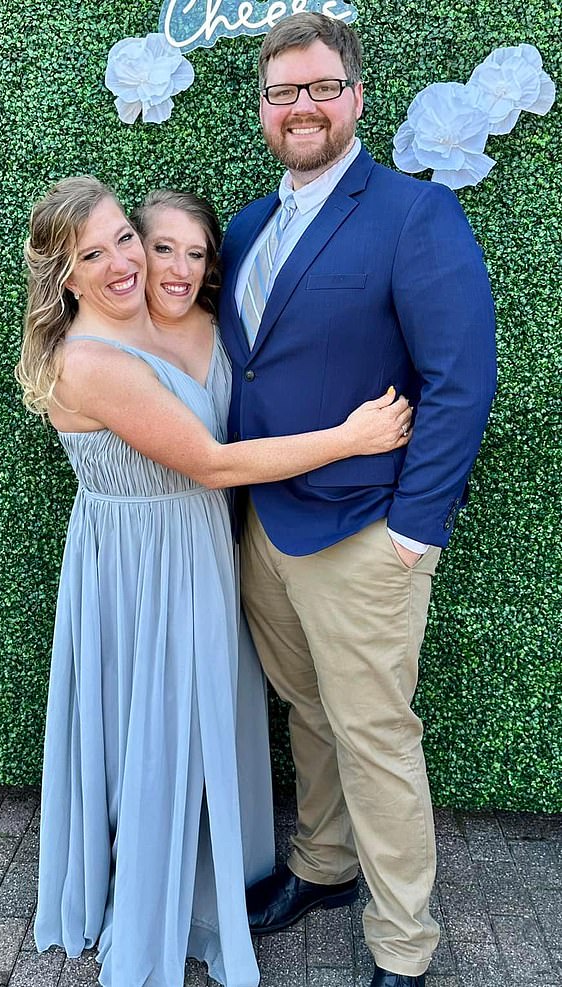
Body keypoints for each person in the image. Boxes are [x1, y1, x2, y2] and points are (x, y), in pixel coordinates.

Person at [16, 175, 413, 987]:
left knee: (202, 721)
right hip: (142, 569)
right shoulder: (90, 360)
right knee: (156, 730)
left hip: (199, 553)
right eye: (94, 252)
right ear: (65, 276)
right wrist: (351, 437)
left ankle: (216, 875)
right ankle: (164, 902)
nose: (124, 259)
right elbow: (212, 462)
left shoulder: (187, 321)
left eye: (126, 236)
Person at [218, 13, 497, 987]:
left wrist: (414, 531)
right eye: (284, 91)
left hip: (362, 533)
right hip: (264, 528)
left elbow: (460, 381)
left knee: (375, 734)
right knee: (305, 710)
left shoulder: (414, 215)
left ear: (355, 97)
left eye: (320, 88)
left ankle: (403, 947)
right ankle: (326, 866)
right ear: (262, 107)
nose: (303, 106)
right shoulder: (249, 225)